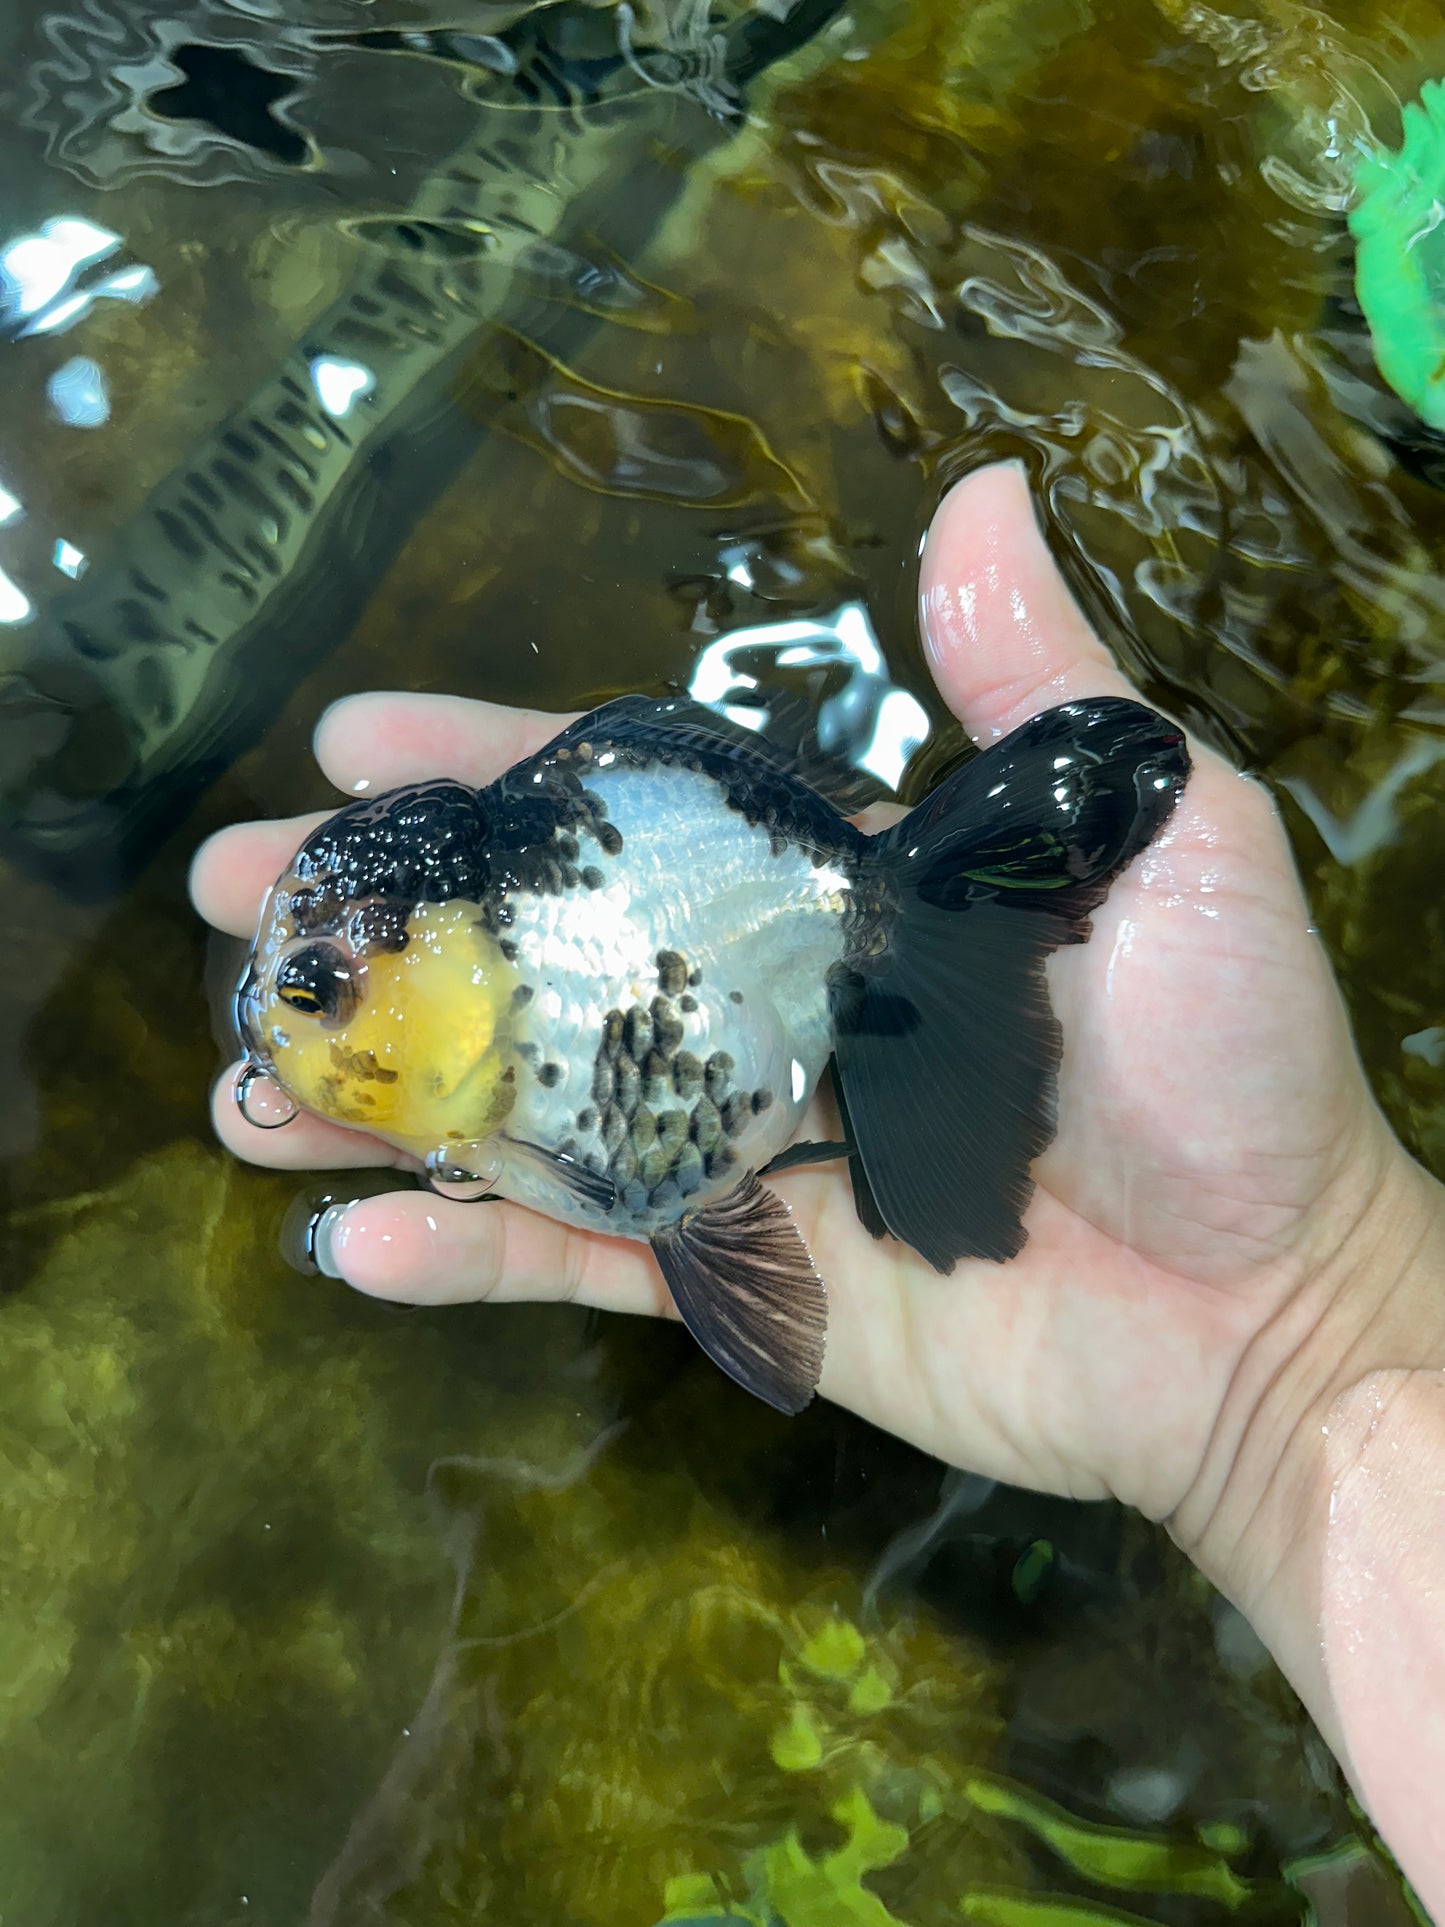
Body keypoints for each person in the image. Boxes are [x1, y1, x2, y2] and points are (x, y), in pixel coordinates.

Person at [191, 460, 1445, 1913]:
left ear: (443, 953)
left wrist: (1313, 1353)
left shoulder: (526, 1018)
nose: (287, 1023)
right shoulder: (479, 1090)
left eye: (319, 987)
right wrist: (1311, 1365)